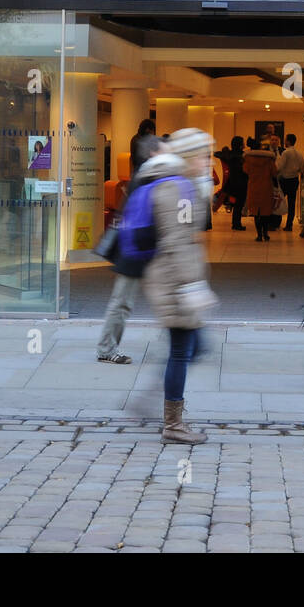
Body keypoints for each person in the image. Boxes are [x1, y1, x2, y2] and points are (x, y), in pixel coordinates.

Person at [142, 128, 217, 444]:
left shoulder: (182, 185)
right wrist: (191, 287)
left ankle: (162, 407)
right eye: (203, 155)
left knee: (189, 348)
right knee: (183, 351)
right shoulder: (176, 189)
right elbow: (177, 241)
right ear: (189, 157)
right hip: (176, 283)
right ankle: (172, 425)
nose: (207, 161)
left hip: (177, 279)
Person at [96, 133, 166, 365]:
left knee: (160, 298)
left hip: (140, 248)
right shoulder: (146, 176)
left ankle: (181, 343)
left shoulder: (147, 174)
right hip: (134, 249)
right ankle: (106, 348)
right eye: (163, 150)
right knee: (122, 301)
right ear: (153, 153)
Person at [243, 137, 278, 241]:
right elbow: (274, 172)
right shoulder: (269, 159)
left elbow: (245, 170)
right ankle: (265, 234)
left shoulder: (248, 159)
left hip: (253, 187)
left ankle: (259, 235)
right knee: (265, 212)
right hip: (266, 187)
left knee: (256, 212)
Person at [276, 133, 303, 232]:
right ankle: (289, 225)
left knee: (279, 202)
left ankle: (276, 222)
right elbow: (301, 168)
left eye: (285, 140)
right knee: (292, 204)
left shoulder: (286, 153)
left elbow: (280, 167)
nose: (284, 141)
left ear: (288, 141)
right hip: (295, 180)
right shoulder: (300, 154)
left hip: (284, 180)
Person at [223, 136, 248, 231]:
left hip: (233, 182)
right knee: (239, 204)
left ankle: (236, 223)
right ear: (240, 144)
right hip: (241, 182)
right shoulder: (242, 156)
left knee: (237, 204)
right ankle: (236, 224)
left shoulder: (230, 155)